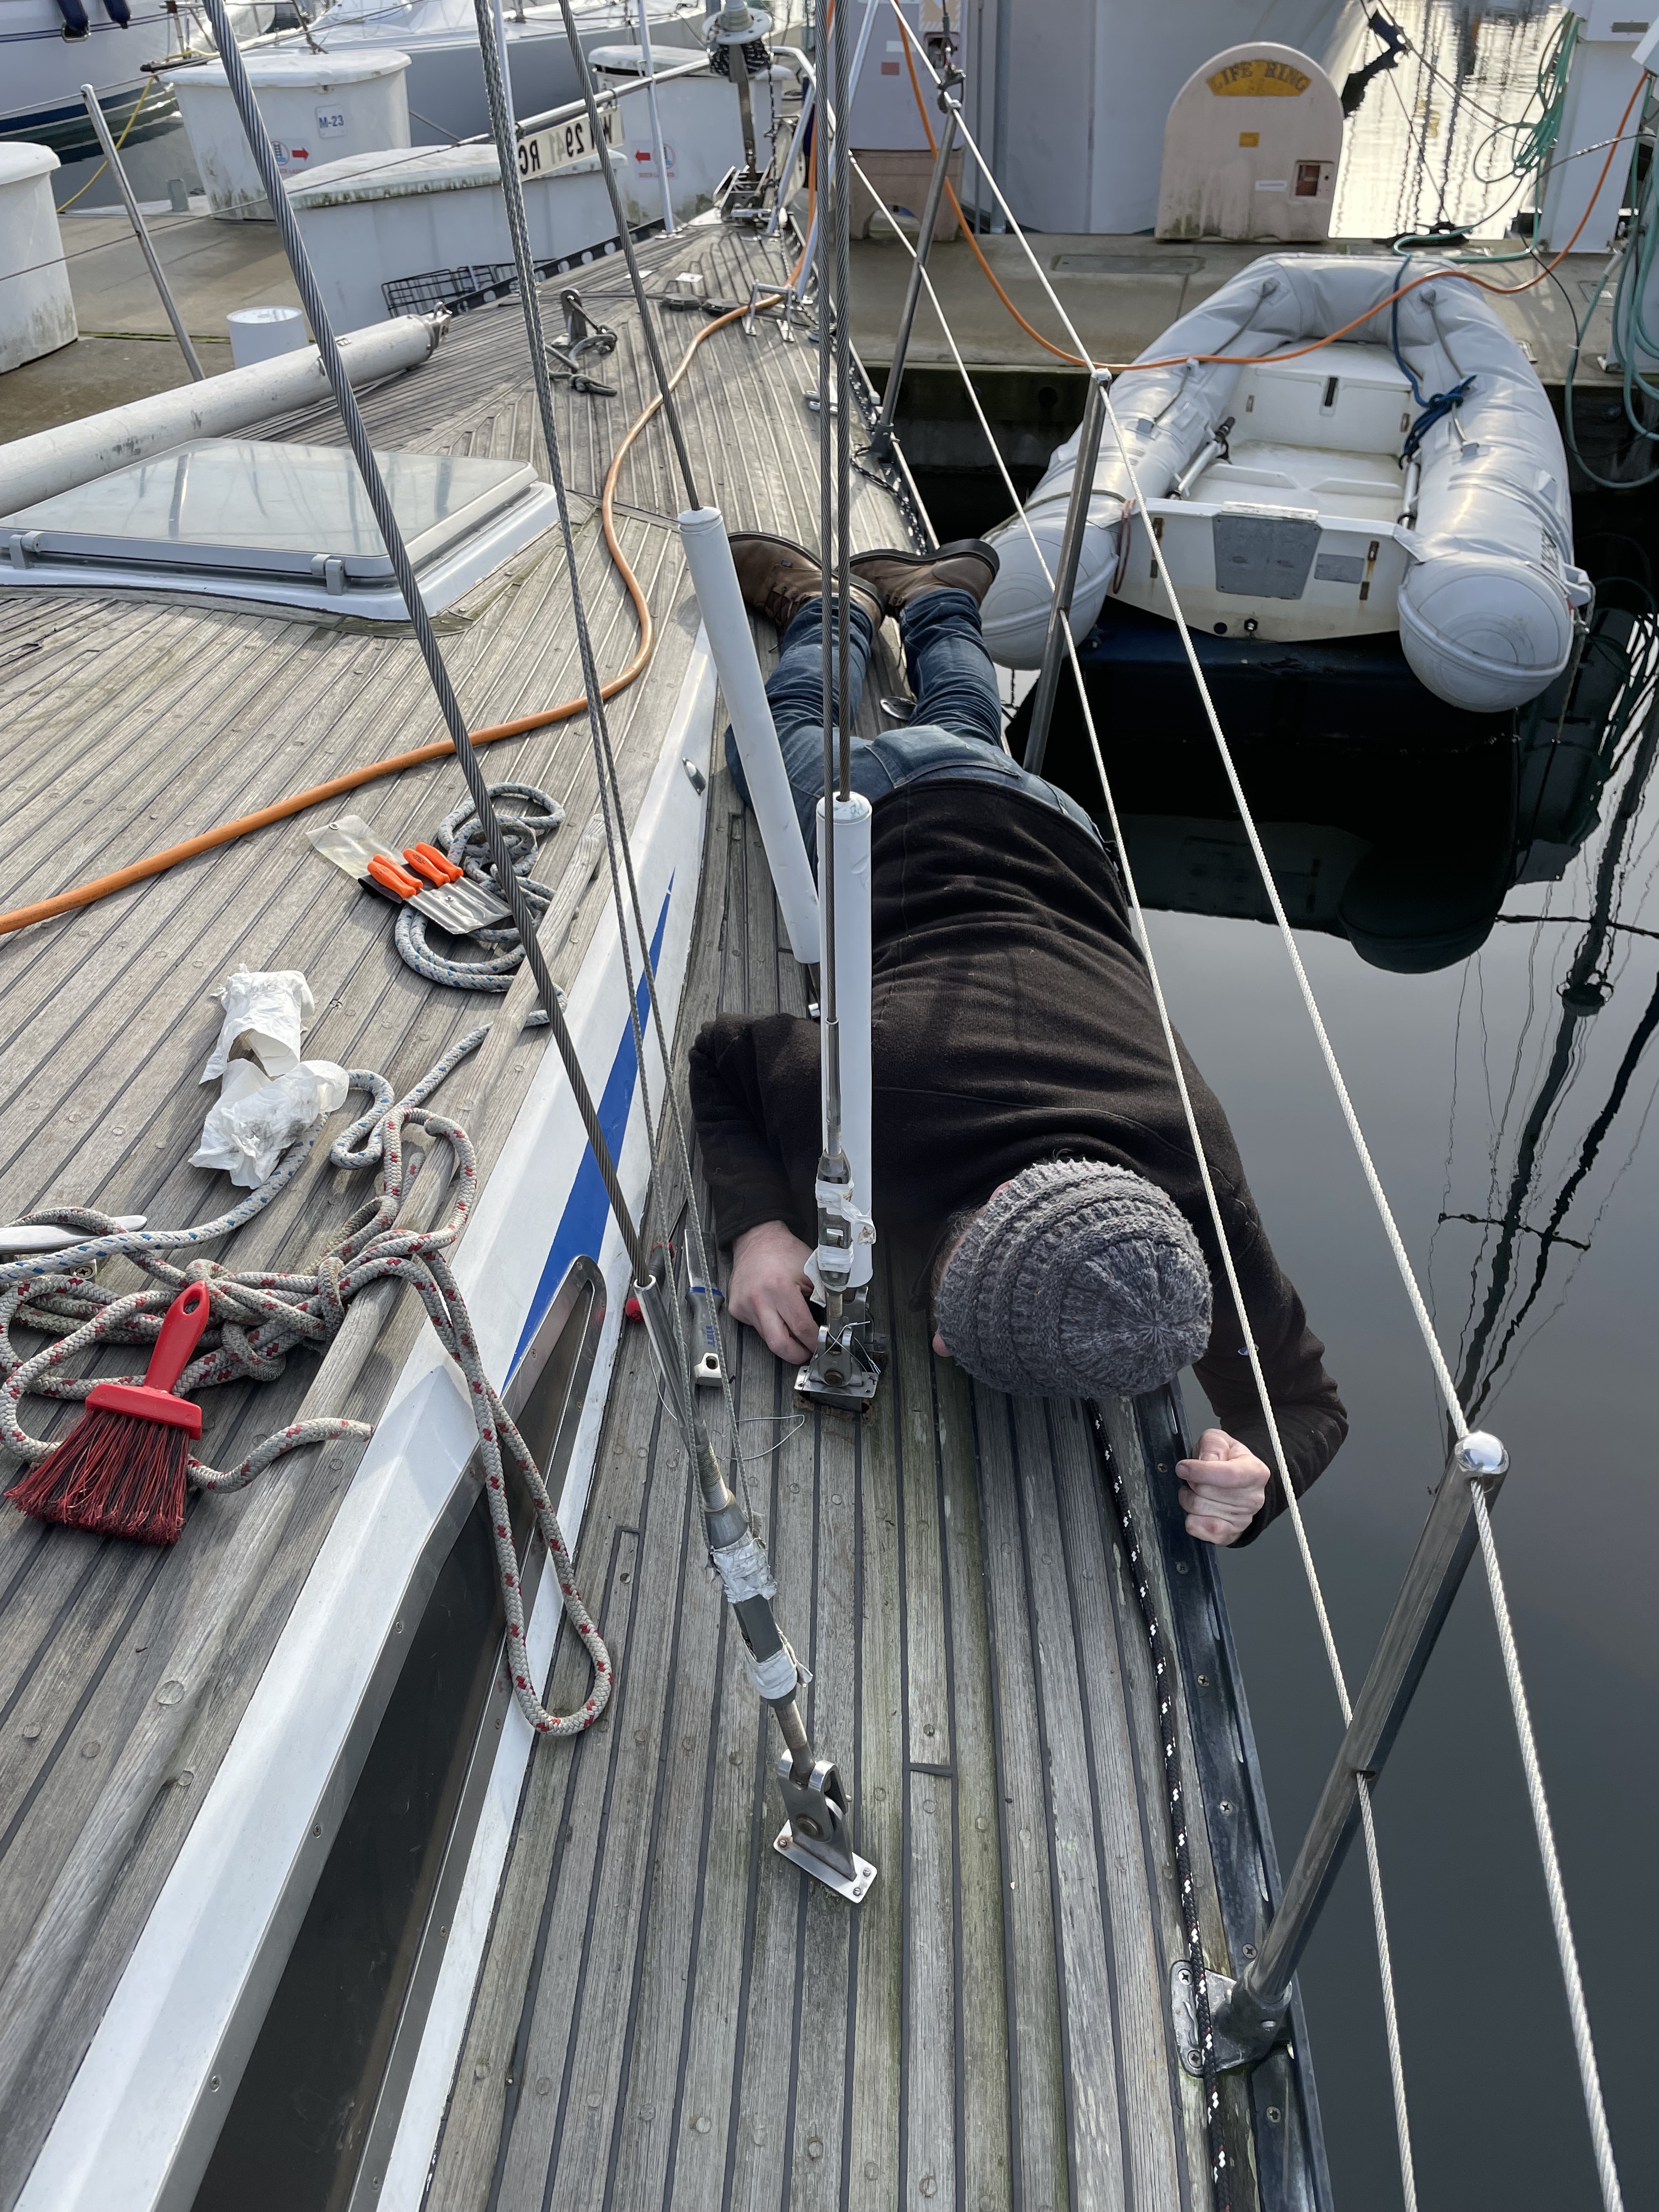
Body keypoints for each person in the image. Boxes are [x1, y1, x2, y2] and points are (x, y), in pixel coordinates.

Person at [687, 534, 1346, 1547]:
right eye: (952, 1311)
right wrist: (759, 1229)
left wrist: (1261, 1476)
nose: (937, 1343)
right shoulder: (894, 1088)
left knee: (966, 722)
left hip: (1057, 828)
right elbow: (722, 1059)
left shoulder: (1186, 1196)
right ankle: (832, 607)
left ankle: (942, 600)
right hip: (892, 813)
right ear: (986, 1198)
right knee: (779, 739)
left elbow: (1309, 1414)